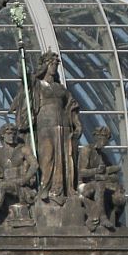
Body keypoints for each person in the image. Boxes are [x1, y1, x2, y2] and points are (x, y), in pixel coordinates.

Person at [30, 52, 83, 199]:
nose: (54, 67)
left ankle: (61, 189)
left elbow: (72, 106)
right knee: (48, 156)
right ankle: (44, 187)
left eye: (56, 64)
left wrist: (77, 124)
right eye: (52, 64)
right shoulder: (37, 85)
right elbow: (26, 81)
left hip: (63, 126)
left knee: (65, 157)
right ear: (45, 65)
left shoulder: (61, 89)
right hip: (45, 126)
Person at [77, 122, 123, 231]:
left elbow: (109, 171)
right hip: (84, 186)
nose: (104, 143)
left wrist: (112, 172)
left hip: (98, 183)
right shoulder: (86, 150)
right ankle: (102, 217)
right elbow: (81, 172)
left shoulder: (103, 156)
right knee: (100, 184)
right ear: (98, 138)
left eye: (106, 141)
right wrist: (96, 171)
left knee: (119, 196)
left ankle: (115, 220)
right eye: (103, 140)